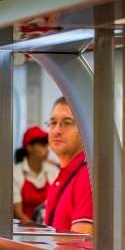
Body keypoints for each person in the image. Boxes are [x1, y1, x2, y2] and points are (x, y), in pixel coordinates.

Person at [44, 97, 93, 235]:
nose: (57, 131)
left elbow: (80, 247)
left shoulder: (87, 176)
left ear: (85, 129)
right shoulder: (66, 174)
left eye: (67, 123)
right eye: (53, 123)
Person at [12, 125, 58, 223]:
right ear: (29, 148)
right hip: (23, 230)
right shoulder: (16, 173)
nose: (46, 149)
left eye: (46, 145)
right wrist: (37, 231)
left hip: (49, 228)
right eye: (41, 145)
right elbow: (18, 212)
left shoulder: (53, 171)